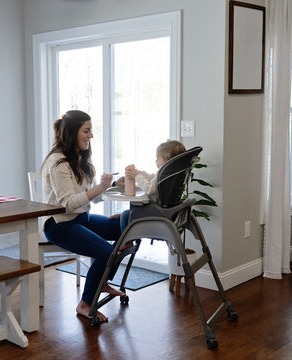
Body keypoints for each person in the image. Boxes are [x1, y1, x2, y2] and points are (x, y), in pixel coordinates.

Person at [41, 110, 123, 323]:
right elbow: (68, 203)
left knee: (127, 226)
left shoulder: (79, 158)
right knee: (106, 251)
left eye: (90, 130)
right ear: (71, 132)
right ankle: (85, 304)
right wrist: (102, 187)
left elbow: (92, 200)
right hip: (60, 225)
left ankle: (101, 281)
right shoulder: (58, 163)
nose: (91, 136)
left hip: (81, 218)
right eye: (86, 131)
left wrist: (112, 186)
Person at [120, 140, 187, 230]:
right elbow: (153, 178)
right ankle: (134, 241)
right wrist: (139, 173)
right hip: (165, 210)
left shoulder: (164, 175)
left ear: (167, 160)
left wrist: (136, 176)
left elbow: (149, 189)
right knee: (130, 211)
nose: (155, 161)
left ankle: (128, 243)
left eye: (158, 158)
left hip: (157, 211)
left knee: (125, 216)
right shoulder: (170, 175)